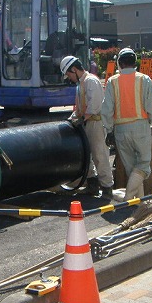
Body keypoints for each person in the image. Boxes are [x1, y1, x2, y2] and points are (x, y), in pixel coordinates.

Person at [101, 47, 152, 200]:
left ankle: (140, 203)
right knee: (143, 167)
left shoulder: (112, 81)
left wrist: (109, 129)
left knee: (131, 168)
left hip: (120, 129)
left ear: (119, 63)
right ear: (135, 62)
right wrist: (149, 121)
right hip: (141, 126)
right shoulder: (144, 79)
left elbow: (106, 110)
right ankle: (128, 199)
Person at [60, 55, 114, 199]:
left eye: (68, 74)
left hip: (95, 123)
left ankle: (107, 188)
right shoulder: (81, 84)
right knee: (86, 156)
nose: (69, 78)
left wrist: (82, 118)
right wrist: (71, 119)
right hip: (86, 123)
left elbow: (94, 106)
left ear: (74, 69)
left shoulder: (91, 81)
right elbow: (79, 108)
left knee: (99, 155)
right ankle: (92, 184)